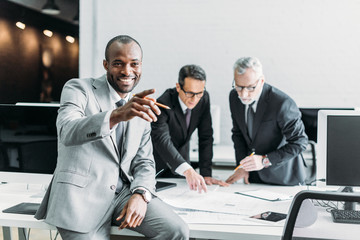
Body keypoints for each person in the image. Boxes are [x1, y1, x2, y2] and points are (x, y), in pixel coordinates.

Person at [35, 35, 189, 240]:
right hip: (80, 200)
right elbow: (67, 131)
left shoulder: (139, 105)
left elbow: (144, 162)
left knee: (177, 231)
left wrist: (141, 193)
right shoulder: (79, 89)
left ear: (141, 66)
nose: (127, 71)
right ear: (106, 64)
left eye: (134, 64)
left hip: (123, 195)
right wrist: (116, 116)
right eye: (118, 63)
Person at [225, 57, 308, 186]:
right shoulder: (234, 97)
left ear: (261, 81)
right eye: (239, 87)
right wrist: (242, 167)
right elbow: (238, 134)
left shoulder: (282, 103)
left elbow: (300, 142)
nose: (243, 94)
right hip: (254, 177)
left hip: (284, 178)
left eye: (250, 88)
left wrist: (265, 161)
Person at [151, 64, 228, 193]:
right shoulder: (163, 103)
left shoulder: (203, 98)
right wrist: (187, 170)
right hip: (160, 166)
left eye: (199, 93)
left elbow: (206, 136)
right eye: (190, 93)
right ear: (178, 87)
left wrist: (206, 173)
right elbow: (162, 140)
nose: (194, 99)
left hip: (184, 167)